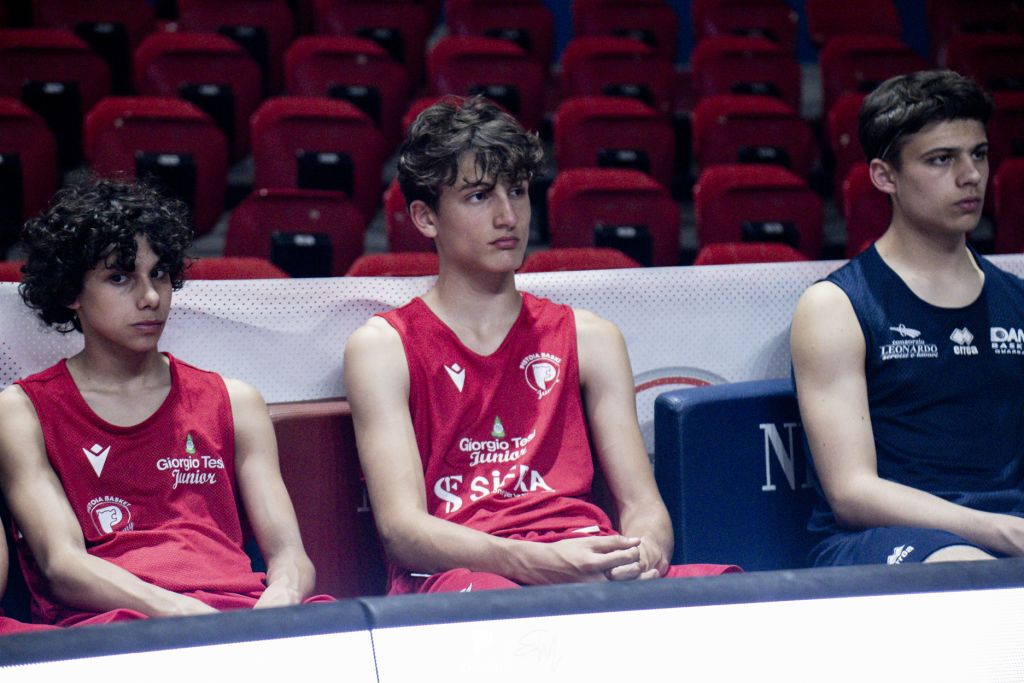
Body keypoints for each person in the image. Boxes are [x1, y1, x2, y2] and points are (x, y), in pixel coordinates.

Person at [344, 96, 739, 594]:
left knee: (725, 591)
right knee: (502, 602)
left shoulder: (591, 337)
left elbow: (643, 506)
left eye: (517, 191)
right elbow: (403, 532)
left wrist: (642, 555)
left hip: (581, 558)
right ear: (425, 218)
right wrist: (538, 563)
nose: (508, 215)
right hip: (464, 579)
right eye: (478, 196)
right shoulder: (383, 348)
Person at [0, 178, 328, 627]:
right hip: (118, 624)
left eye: (158, 274)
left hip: (239, 611)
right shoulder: (23, 412)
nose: (150, 297)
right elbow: (62, 565)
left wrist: (283, 596)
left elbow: (291, 555)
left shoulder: (235, 402)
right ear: (71, 292)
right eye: (120, 278)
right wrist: (183, 614)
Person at [791, 70, 1024, 566]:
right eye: (942, 159)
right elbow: (852, 493)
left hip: (1009, 525)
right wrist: (997, 530)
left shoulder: (1017, 299)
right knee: (969, 571)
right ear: (885, 176)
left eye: (979, 154)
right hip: (883, 538)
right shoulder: (836, 306)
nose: (971, 175)